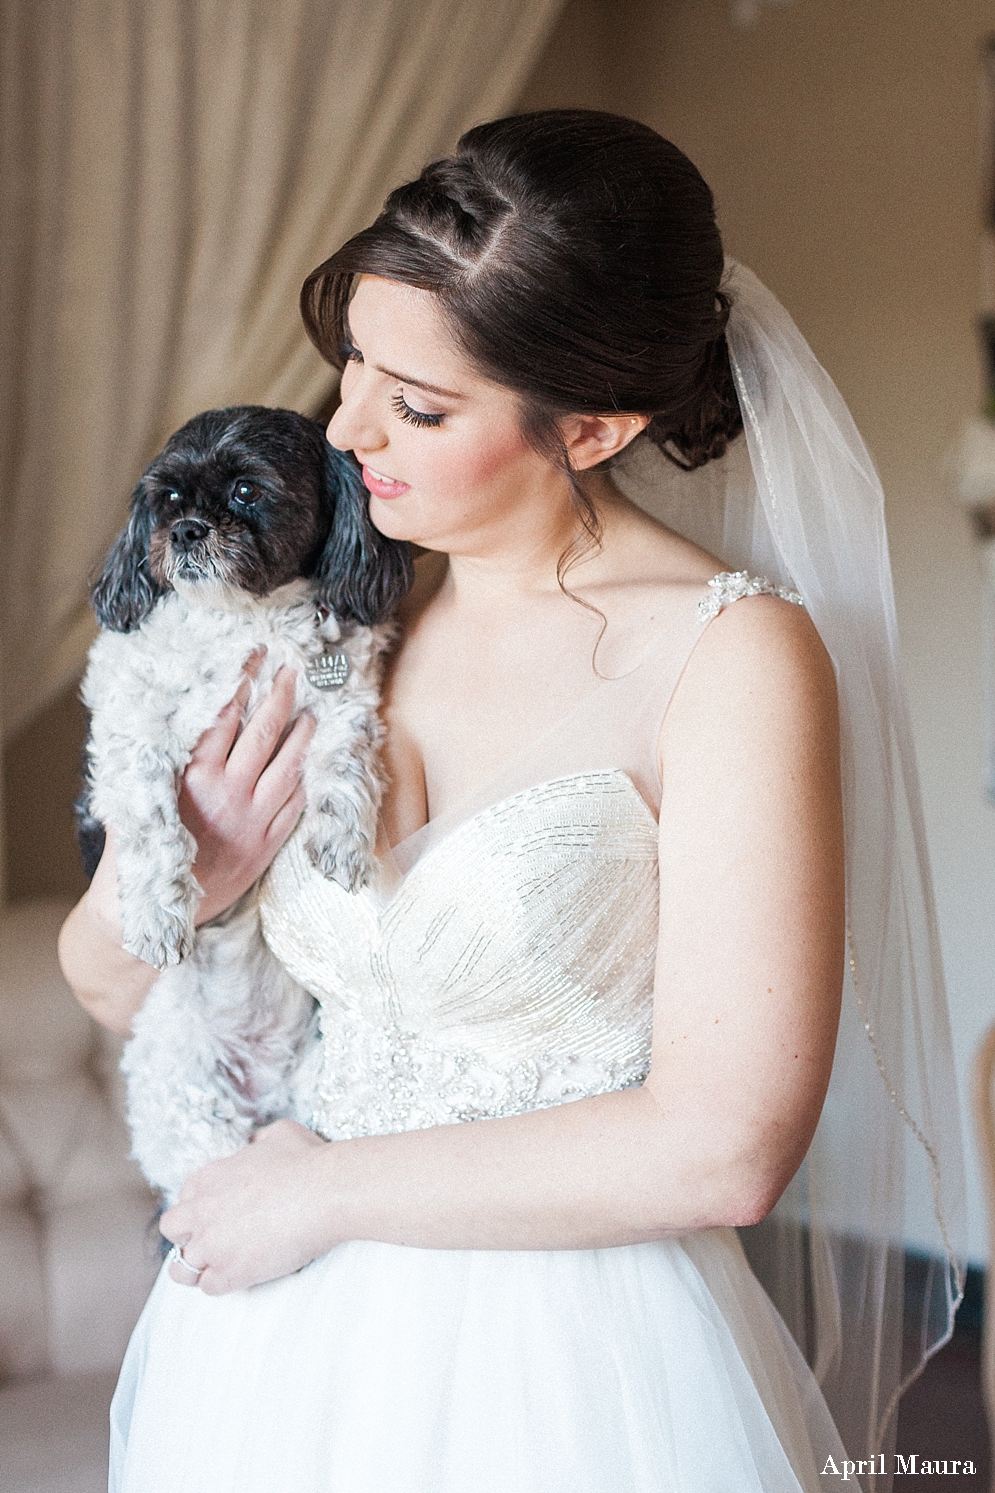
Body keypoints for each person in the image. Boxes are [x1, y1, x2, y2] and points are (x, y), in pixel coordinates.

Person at [58, 111, 962, 1493]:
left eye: (417, 405)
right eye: (350, 364)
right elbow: (110, 979)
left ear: (591, 425)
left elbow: (726, 1148)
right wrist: (203, 864)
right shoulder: (317, 613)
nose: (345, 427)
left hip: (573, 1358)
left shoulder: (732, 656)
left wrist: (321, 1192)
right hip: (269, 1357)